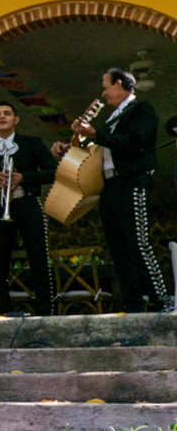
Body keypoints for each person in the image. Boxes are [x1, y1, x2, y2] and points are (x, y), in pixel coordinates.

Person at [54, 68, 171, 313]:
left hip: (132, 181)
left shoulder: (142, 110)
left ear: (119, 85)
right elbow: (98, 151)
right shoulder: (112, 118)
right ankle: (133, 303)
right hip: (110, 185)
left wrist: (95, 133)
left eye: (106, 87)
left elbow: (134, 142)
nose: (104, 93)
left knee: (138, 243)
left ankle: (161, 300)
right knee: (117, 247)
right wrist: (72, 146)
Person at [0, 101, 58, 316]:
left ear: (16, 120)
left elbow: (53, 171)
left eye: (7, 113)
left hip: (28, 204)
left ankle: (45, 312)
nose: (2, 117)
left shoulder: (31, 143)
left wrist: (24, 177)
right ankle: (2, 312)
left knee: (38, 258)